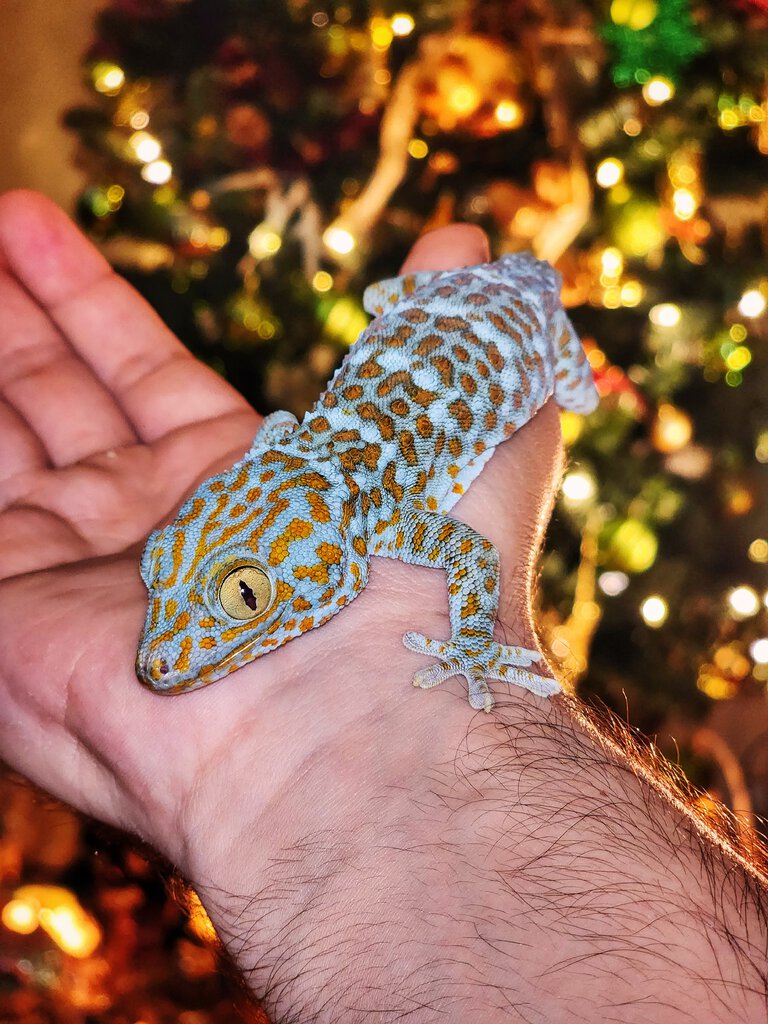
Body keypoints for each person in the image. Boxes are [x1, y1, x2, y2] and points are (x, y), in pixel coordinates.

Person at [0, 190, 766, 1023]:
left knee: (569, 393)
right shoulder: (305, 462)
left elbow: (471, 550)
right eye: (167, 564)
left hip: (513, 313)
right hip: (442, 314)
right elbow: (283, 443)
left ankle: (522, 334)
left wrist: (471, 644)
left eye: (246, 596)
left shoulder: (376, 505)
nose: (161, 652)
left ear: (327, 564)